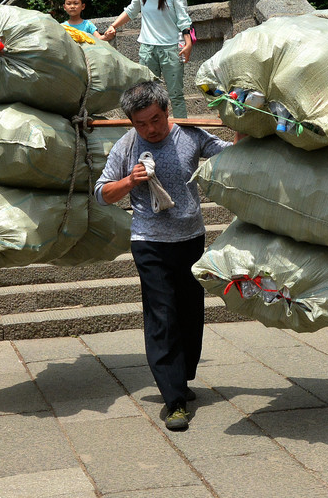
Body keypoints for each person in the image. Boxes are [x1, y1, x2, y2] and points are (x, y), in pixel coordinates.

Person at [94, 80, 230, 431]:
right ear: (131, 122)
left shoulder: (190, 135)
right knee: (162, 315)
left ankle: (181, 379)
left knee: (189, 311)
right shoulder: (126, 146)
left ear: (167, 111)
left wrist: (248, 127)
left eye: (155, 119)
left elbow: (230, 155)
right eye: (141, 123)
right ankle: (174, 401)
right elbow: (102, 193)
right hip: (149, 242)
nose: (150, 129)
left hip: (190, 238)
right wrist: (130, 181)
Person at [103, 0, 195, 118]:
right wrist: (113, 26)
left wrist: (188, 44)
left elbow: (184, 20)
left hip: (171, 49)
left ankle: (183, 129)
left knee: (175, 94)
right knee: (147, 94)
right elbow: (131, 11)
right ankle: (150, 126)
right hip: (147, 49)